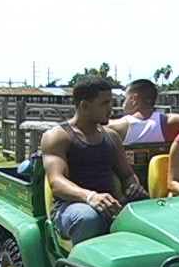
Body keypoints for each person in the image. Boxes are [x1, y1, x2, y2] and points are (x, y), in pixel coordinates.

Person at [40, 76, 148, 245]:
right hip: (71, 207)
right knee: (88, 218)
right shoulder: (58, 136)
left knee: (150, 211)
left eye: (111, 102)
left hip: (110, 204)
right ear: (85, 105)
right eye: (104, 103)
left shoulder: (112, 136)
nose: (110, 109)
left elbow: (127, 174)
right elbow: (56, 181)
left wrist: (133, 186)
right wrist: (90, 197)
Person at [107, 79, 179, 144]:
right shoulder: (172, 122)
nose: (123, 105)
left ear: (134, 98)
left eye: (125, 99)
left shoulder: (118, 126)